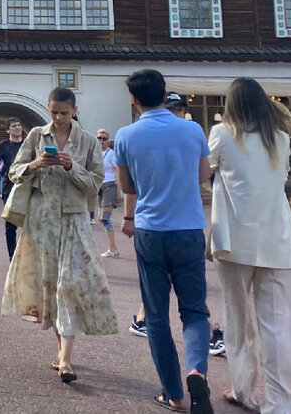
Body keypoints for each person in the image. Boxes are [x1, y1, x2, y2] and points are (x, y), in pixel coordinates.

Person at [208, 77, 291, 414]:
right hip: (277, 240)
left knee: (238, 319)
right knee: (279, 326)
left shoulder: (222, 134)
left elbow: (206, 170)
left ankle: (242, 388)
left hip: (234, 239)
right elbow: (278, 180)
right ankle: (281, 402)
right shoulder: (280, 139)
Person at [1, 87, 116, 383]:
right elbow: (14, 172)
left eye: (64, 112)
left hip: (74, 220)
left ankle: (66, 360)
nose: (59, 117)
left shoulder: (89, 141)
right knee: (49, 285)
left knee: (69, 284)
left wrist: (70, 166)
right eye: (54, 112)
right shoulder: (37, 136)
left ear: (74, 110)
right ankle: (62, 353)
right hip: (41, 220)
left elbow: (95, 184)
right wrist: (35, 164)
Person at [115, 69, 213, 414]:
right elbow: (203, 177)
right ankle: (197, 369)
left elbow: (127, 187)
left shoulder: (125, 135)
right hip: (188, 227)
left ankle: (173, 393)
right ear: (166, 92)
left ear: (134, 99)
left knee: (156, 314)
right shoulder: (193, 129)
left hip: (150, 229)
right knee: (195, 310)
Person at [0, 119, 26, 258]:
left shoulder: (27, 144)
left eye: (19, 125)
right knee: (10, 224)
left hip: (26, 186)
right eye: (14, 126)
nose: (17, 127)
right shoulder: (4, 145)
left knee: (29, 222)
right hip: (9, 188)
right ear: (8, 130)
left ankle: (26, 255)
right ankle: (12, 257)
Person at [96, 129, 119, 257]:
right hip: (99, 186)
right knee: (100, 219)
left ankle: (113, 248)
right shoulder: (95, 153)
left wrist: (119, 191)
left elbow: (118, 171)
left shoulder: (111, 154)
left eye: (104, 139)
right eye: (99, 138)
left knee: (105, 219)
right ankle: (111, 247)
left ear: (108, 141)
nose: (101, 141)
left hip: (109, 185)